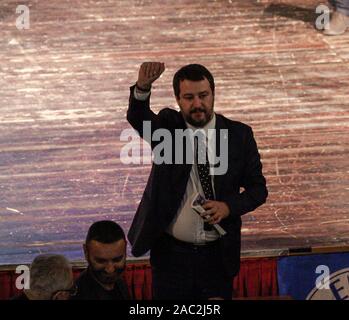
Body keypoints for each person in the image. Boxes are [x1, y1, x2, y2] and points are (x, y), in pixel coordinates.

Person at [126, 62, 268, 299]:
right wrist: (142, 87)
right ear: (178, 99)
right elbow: (139, 118)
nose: (197, 104)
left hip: (217, 258)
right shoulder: (168, 130)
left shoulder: (239, 135)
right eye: (189, 97)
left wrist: (228, 207)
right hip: (171, 258)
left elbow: (258, 189)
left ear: (213, 94)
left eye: (203, 95)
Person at [72, 220, 130, 300]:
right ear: (86, 252)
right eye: (101, 261)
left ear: (125, 249)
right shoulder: (79, 295)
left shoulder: (119, 283)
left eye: (117, 260)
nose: (110, 269)